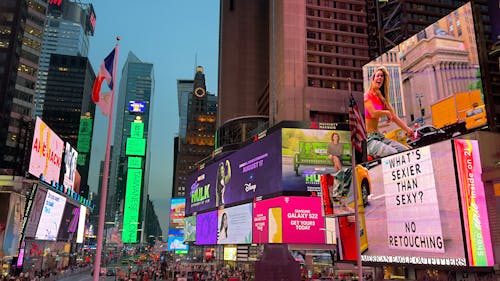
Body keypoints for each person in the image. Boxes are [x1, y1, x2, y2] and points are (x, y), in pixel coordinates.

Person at [364, 66, 413, 158]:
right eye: (378, 76)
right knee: (394, 153)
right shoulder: (367, 96)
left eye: (382, 76)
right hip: (369, 140)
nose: (380, 78)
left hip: (379, 137)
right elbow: (373, 113)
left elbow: (393, 117)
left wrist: (407, 129)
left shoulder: (381, 99)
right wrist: (386, 113)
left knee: (406, 151)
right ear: (373, 78)